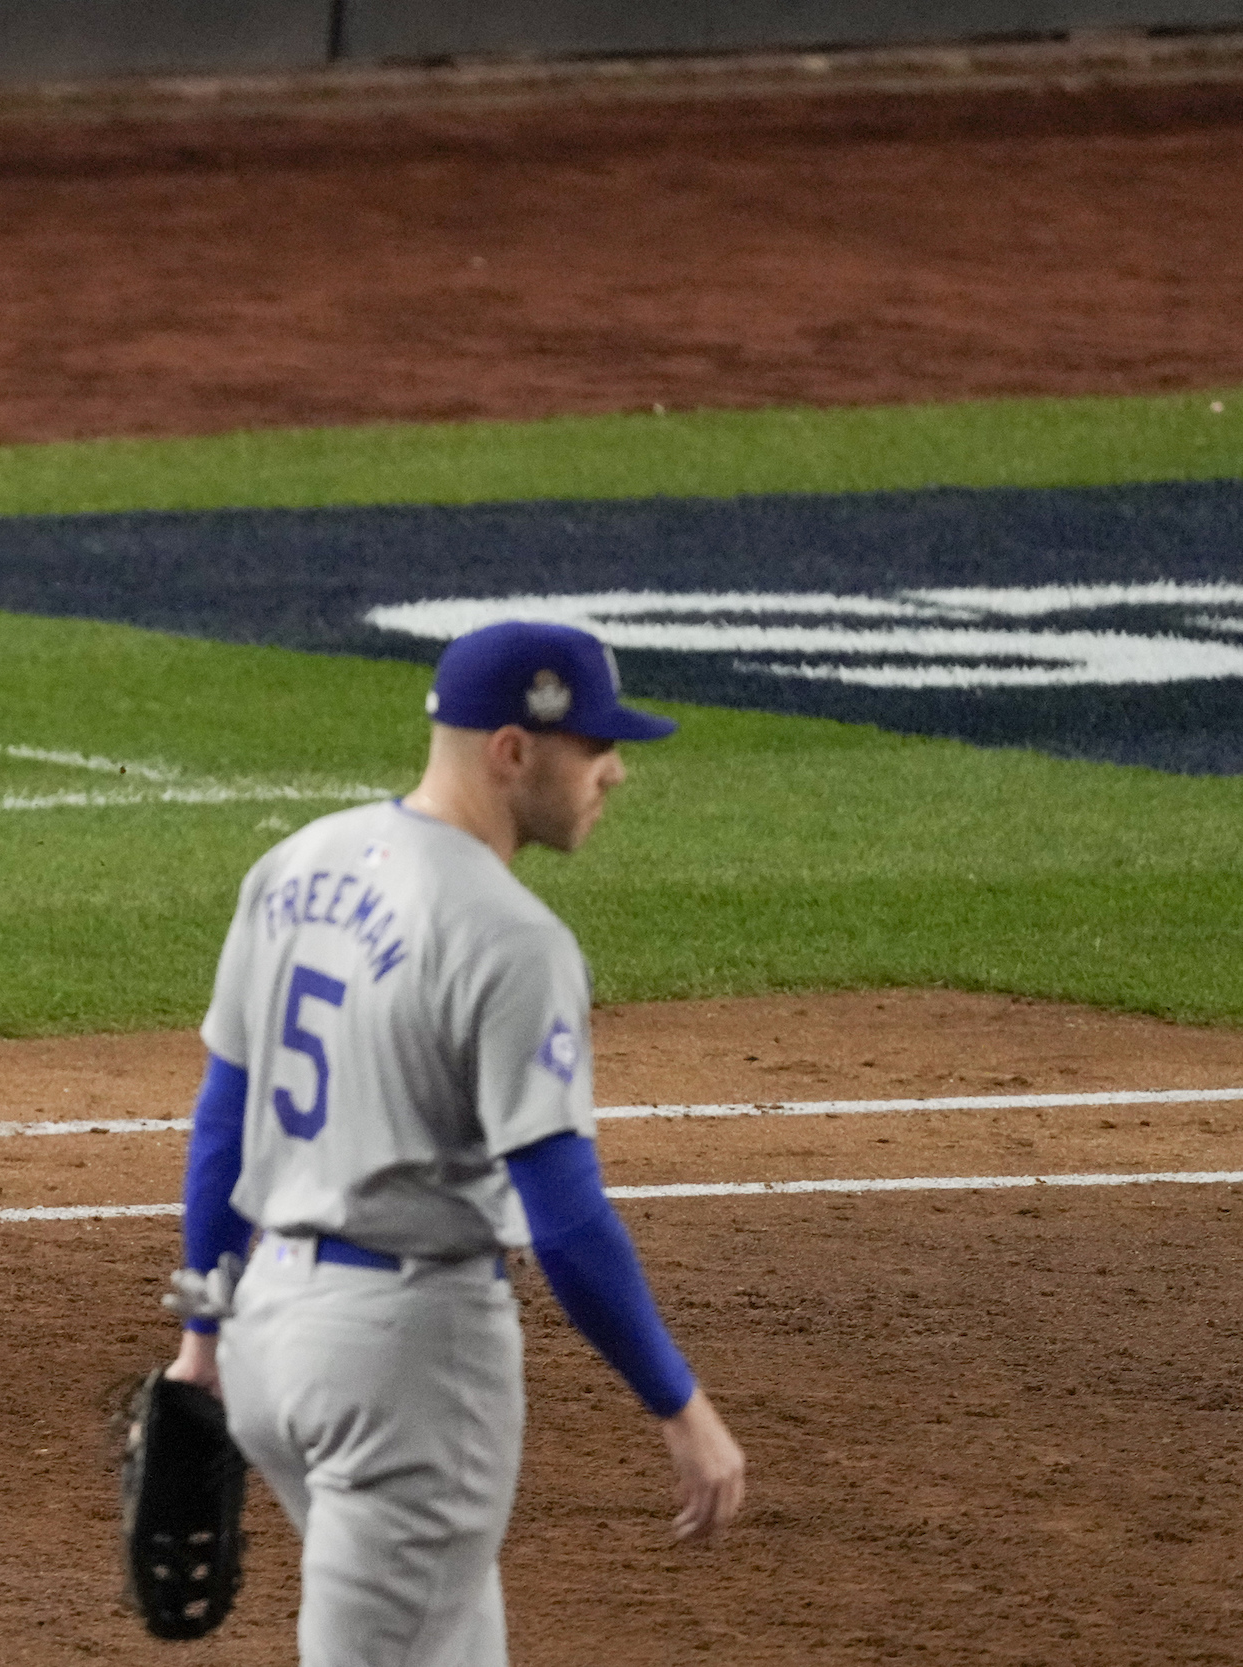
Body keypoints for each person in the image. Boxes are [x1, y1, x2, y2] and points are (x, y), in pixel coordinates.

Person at [160, 620, 746, 1665]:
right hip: (402, 1363)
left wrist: (204, 1332)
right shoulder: (508, 936)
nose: (613, 769)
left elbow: (221, 1122)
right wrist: (679, 1403)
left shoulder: (293, 864)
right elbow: (564, 1214)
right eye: (593, 746)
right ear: (511, 751)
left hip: (266, 1342)